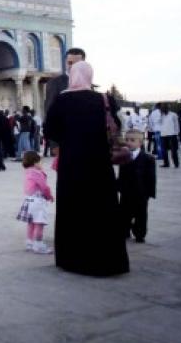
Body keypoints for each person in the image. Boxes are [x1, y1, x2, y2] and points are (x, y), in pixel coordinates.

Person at [45, 61, 129, 276]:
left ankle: (73, 259)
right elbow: (116, 125)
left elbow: (50, 129)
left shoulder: (63, 100)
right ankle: (109, 260)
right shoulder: (102, 99)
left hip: (73, 164)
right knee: (101, 208)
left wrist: (70, 136)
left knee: (74, 208)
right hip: (99, 163)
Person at [117, 130, 156, 243]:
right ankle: (125, 231)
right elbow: (121, 175)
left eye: (132, 140)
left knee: (141, 215)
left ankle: (140, 233)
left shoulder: (148, 159)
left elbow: (151, 178)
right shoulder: (124, 157)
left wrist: (150, 193)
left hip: (141, 193)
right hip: (126, 192)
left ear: (140, 142)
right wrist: (118, 187)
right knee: (124, 213)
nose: (129, 142)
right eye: (127, 139)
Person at [15, 151, 54, 254]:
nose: (41, 165)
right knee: (39, 223)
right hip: (38, 201)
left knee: (31, 223)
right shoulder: (37, 173)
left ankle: (30, 242)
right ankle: (38, 244)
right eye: (41, 162)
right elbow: (44, 187)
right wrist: (49, 196)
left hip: (29, 200)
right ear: (35, 162)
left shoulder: (28, 171)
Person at [159, 103, 180, 168]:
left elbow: (176, 125)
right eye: (162, 108)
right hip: (163, 135)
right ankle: (166, 163)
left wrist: (176, 133)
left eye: (165, 108)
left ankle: (176, 163)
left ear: (168, 108)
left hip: (172, 135)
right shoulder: (161, 116)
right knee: (164, 151)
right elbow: (159, 124)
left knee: (173, 151)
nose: (163, 109)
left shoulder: (173, 115)